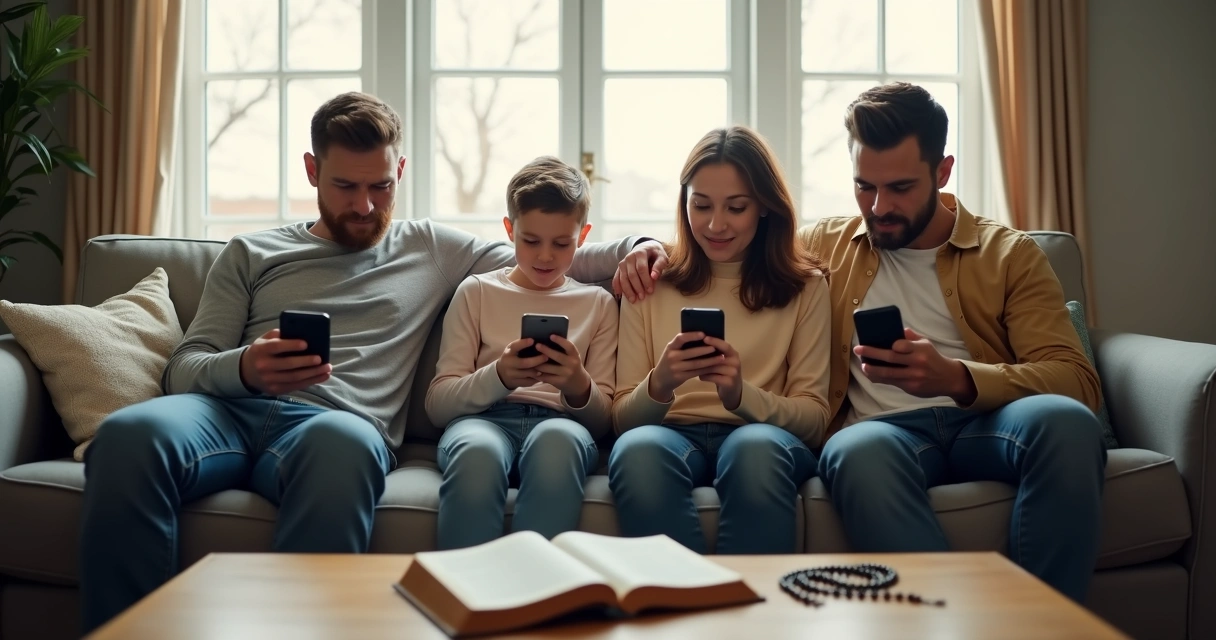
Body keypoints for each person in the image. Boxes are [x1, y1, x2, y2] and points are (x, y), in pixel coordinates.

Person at [77, 92, 667, 632]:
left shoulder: (432, 248)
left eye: (381, 187)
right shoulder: (251, 251)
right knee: (128, 434)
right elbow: (186, 364)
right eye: (344, 187)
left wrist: (641, 247)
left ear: (401, 173)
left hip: (334, 424)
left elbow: (552, 256)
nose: (364, 205)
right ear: (312, 171)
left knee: (343, 448)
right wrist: (245, 368)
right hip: (223, 413)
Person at [804, 82, 1106, 602]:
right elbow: (711, 245)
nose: (878, 207)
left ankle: (1044, 631)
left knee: (1069, 424)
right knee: (855, 452)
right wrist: (639, 247)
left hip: (985, 423)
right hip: (881, 432)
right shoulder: (819, 245)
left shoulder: (1010, 254)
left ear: (942, 172)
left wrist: (957, 378)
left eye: (900, 187)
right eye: (864, 187)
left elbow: (1075, 381)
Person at [608, 125, 832, 554]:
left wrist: (739, 394)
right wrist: (661, 384)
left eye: (736, 207)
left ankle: (753, 611)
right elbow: (622, 421)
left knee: (755, 451)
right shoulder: (651, 279)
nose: (715, 224)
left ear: (765, 206)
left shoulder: (806, 286)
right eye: (701, 205)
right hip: (670, 435)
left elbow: (815, 419)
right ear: (684, 202)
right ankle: (678, 601)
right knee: (638, 451)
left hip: (762, 435)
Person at [425, 156, 618, 550]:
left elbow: (602, 423)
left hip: (560, 424)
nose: (545, 256)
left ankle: (537, 589)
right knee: (477, 453)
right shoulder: (476, 292)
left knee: (557, 445)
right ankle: (466, 589)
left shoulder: (599, 303)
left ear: (583, 236)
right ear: (509, 230)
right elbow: (438, 405)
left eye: (561, 243)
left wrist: (578, 384)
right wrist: (500, 376)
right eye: (530, 241)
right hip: (484, 421)